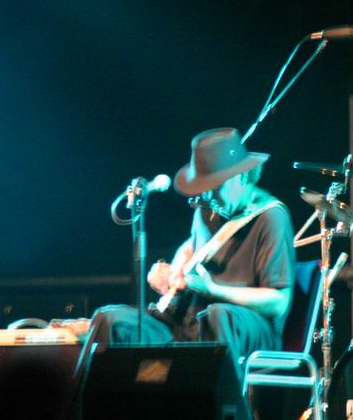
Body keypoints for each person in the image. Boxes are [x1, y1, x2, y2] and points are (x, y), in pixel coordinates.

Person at [76, 127, 295, 381]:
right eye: (204, 188)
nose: (208, 196)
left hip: (244, 327)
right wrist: (174, 272)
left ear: (242, 176)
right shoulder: (207, 208)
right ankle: (114, 405)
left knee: (217, 316)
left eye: (215, 186)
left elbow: (278, 301)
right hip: (188, 319)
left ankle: (214, 406)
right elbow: (191, 245)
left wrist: (213, 290)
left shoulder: (271, 218)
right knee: (110, 319)